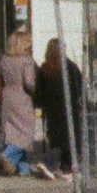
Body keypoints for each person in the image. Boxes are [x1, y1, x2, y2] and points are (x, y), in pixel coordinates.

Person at [0, 30, 49, 178]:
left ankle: (24, 169)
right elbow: (29, 83)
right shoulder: (26, 60)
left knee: (13, 130)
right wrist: (38, 89)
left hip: (7, 97)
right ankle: (6, 154)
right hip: (22, 98)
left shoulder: (4, 59)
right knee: (25, 133)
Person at [37, 36, 80, 177]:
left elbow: (39, 91)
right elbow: (79, 87)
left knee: (56, 138)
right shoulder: (70, 66)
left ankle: (60, 165)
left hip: (51, 109)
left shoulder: (45, 68)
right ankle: (65, 166)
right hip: (68, 107)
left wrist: (42, 103)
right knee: (69, 137)